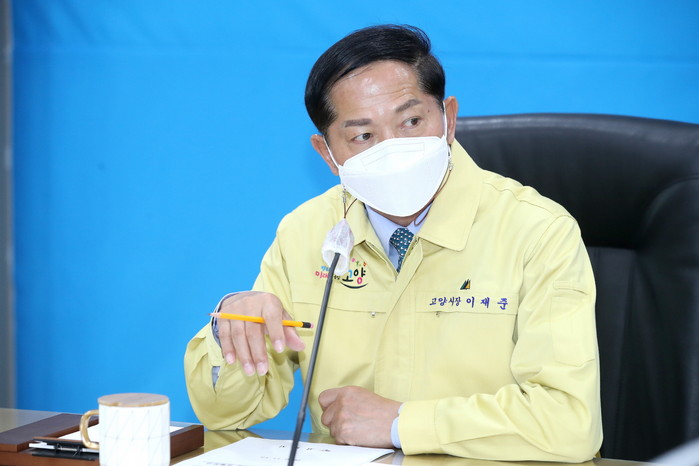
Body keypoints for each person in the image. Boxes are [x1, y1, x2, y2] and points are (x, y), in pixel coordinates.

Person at [184, 24, 602, 462]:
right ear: (327, 154)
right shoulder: (305, 232)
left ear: (449, 119)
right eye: (363, 136)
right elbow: (228, 415)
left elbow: (569, 422)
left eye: (411, 122)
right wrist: (231, 332)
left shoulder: (538, 231)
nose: (394, 149)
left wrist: (401, 423)